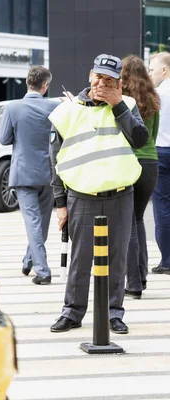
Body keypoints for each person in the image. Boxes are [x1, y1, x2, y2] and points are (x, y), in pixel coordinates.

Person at [49, 54, 148, 334]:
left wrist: (117, 105)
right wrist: (60, 203)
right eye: (99, 77)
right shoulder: (68, 111)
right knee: (80, 259)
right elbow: (53, 160)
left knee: (117, 258)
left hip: (119, 194)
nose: (102, 83)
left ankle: (114, 313)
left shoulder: (127, 105)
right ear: (90, 75)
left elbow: (140, 140)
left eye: (110, 80)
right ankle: (72, 312)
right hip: (81, 196)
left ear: (119, 83)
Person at [0, 66, 59, 285]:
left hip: (23, 172)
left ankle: (43, 271)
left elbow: (3, 139)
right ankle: (28, 260)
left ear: (27, 82)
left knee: (33, 222)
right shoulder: (56, 106)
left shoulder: (13, 107)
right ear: (45, 86)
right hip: (49, 172)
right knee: (42, 222)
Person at [121, 55, 161, 298]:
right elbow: (152, 136)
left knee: (128, 221)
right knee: (138, 218)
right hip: (151, 162)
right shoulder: (153, 98)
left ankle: (133, 284)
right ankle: (142, 277)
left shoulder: (121, 101)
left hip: (129, 161)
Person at [147, 51, 170, 275]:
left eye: (152, 69)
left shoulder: (156, 94)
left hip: (161, 153)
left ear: (164, 70)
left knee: (162, 206)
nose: (150, 74)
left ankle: (167, 261)